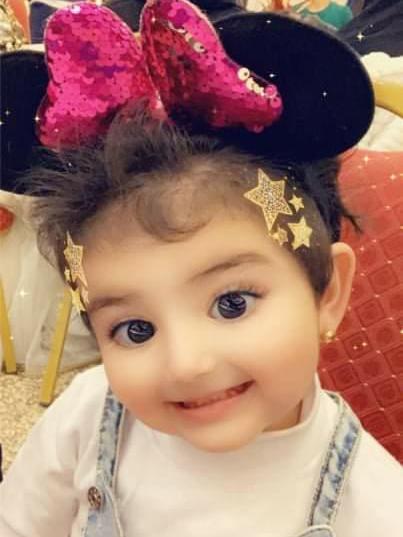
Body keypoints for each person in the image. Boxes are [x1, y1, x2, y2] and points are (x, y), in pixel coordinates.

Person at [0, 1, 401, 536]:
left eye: (232, 303)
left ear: (327, 290)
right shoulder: (88, 414)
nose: (186, 364)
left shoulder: (376, 507)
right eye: (135, 330)